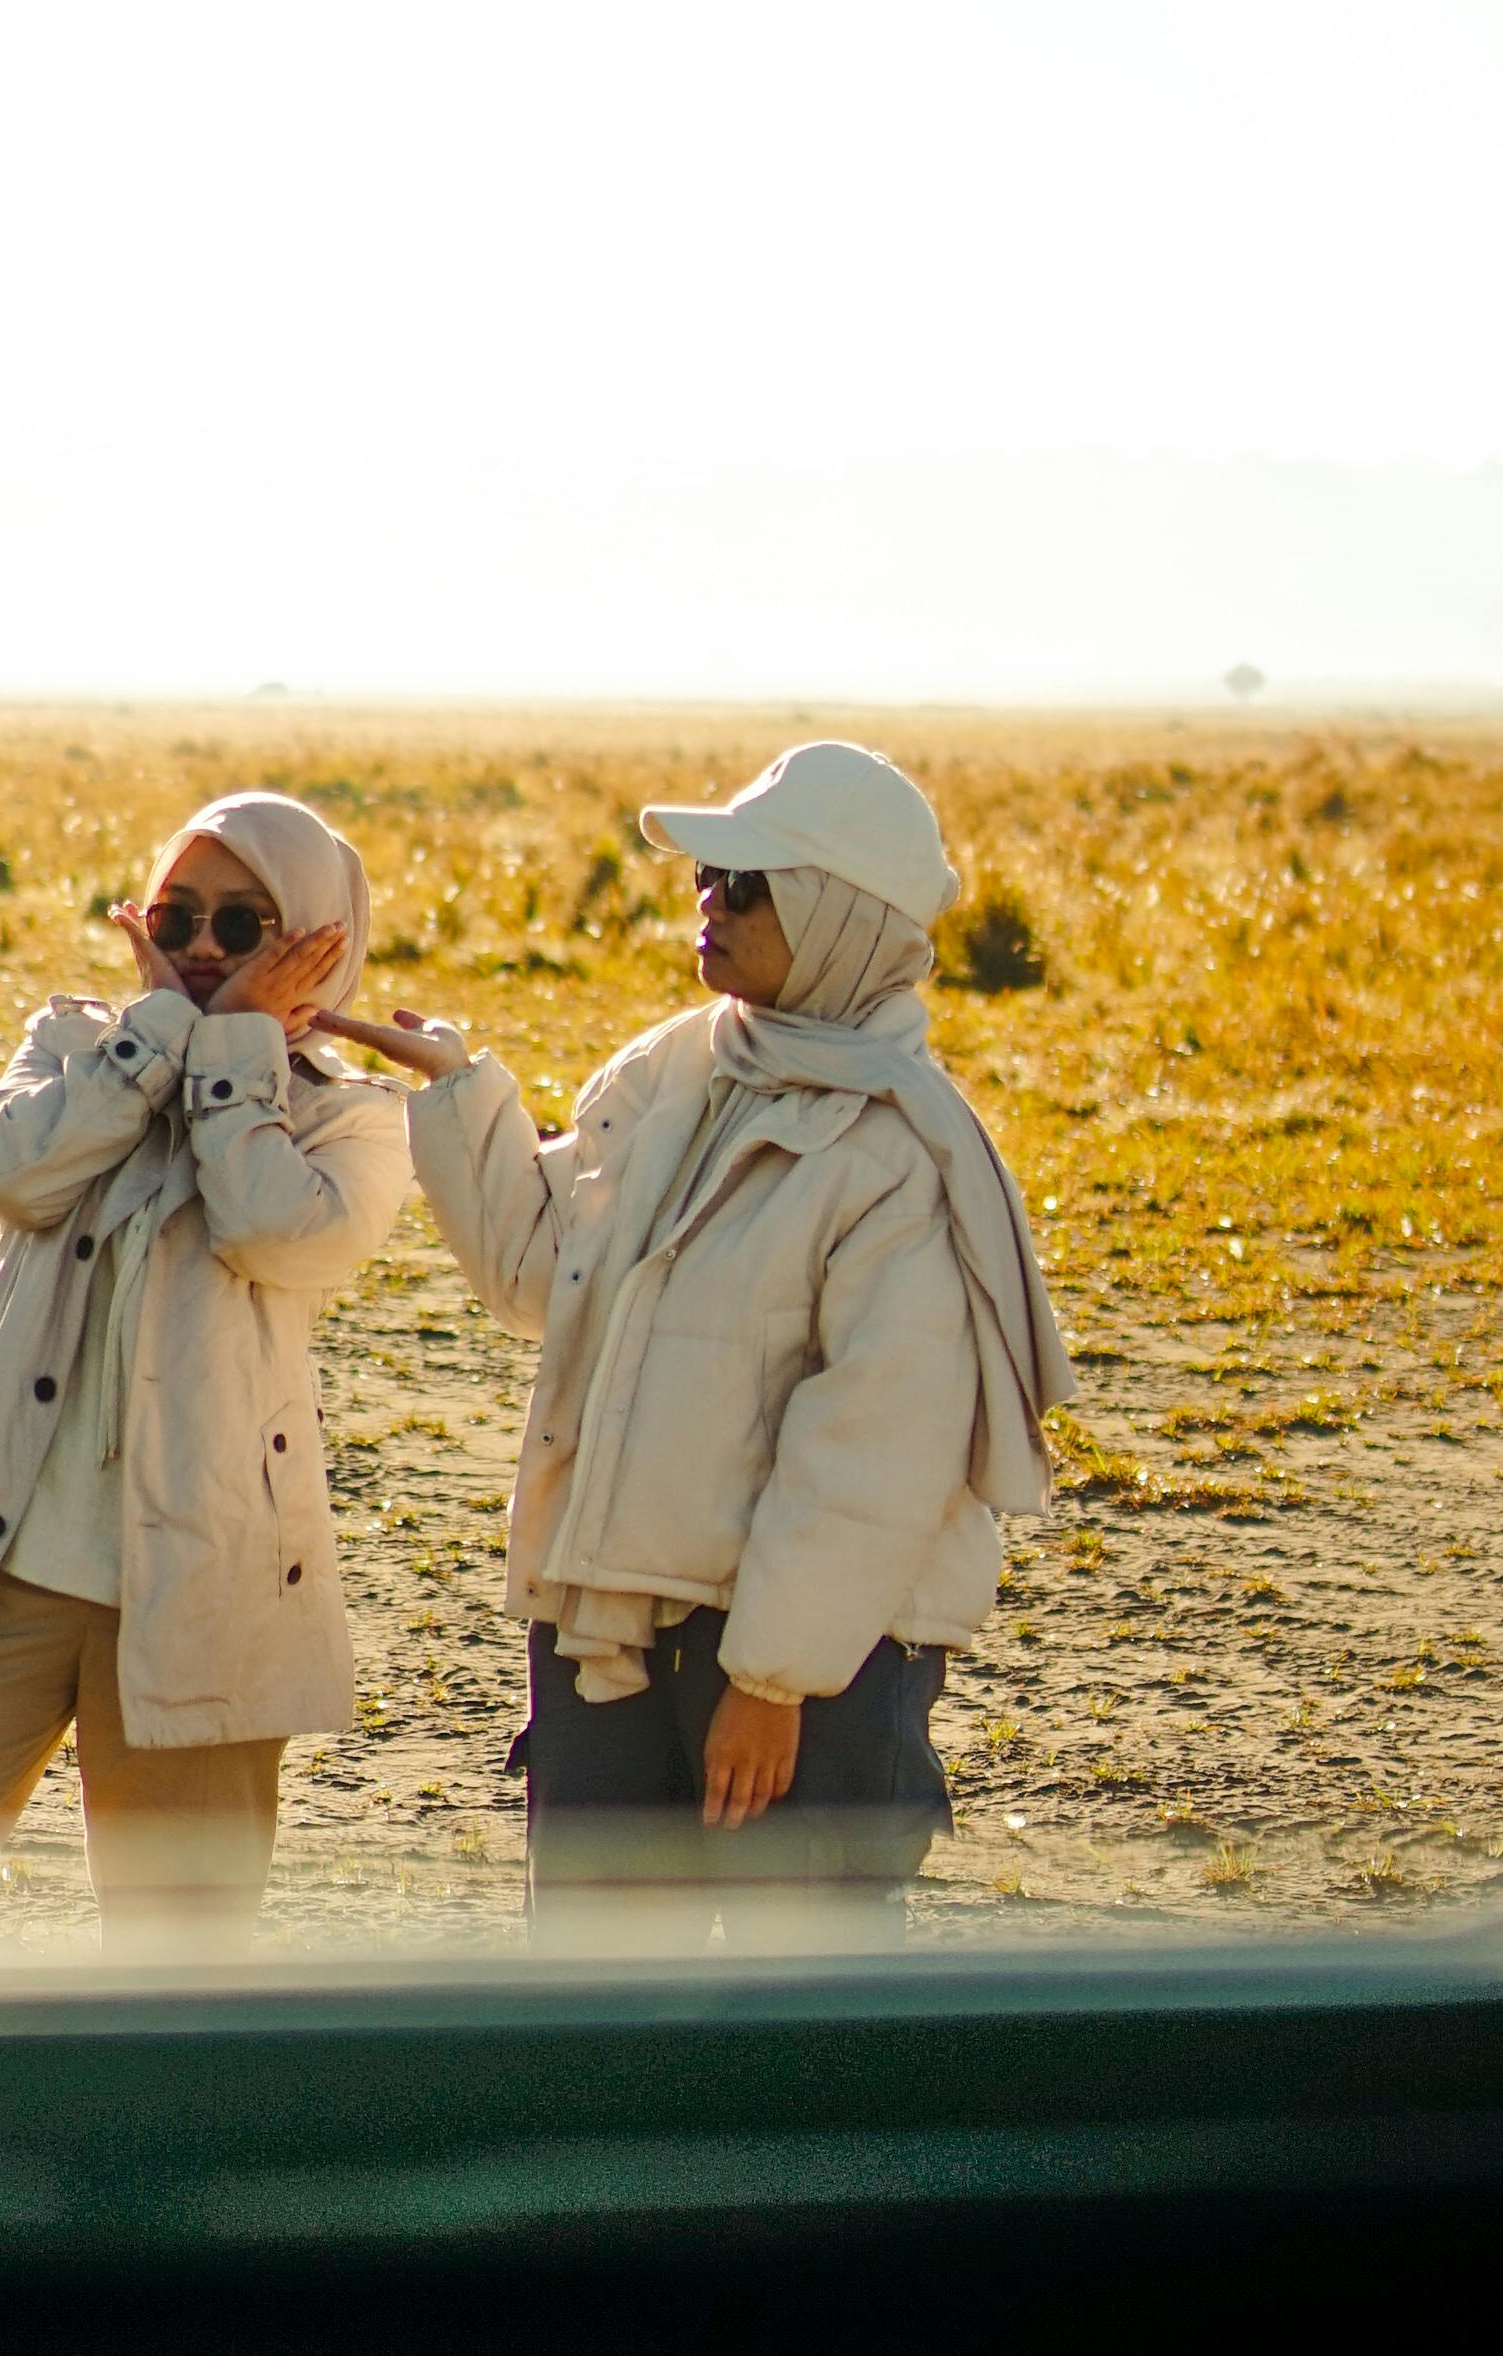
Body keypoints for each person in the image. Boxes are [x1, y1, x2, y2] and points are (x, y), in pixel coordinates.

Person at [331, 738, 1074, 1931]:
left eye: (746, 884)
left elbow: (872, 1452)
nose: (706, 902)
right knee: (600, 1997)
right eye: (706, 878)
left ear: (838, 917)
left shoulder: (901, 1158)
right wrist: (461, 1097)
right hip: (611, 1628)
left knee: (800, 2016)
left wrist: (775, 1682)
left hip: (799, 1669)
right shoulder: (676, 1068)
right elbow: (544, 1276)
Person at [0, 790, 407, 1947]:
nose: (205, 949)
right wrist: (161, 1038)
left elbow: (275, 1229)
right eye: (178, 919)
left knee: (179, 1978)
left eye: (244, 925)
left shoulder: (347, 1121)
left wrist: (236, 1057)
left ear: (317, 937)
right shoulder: (78, 1048)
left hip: (204, 1589)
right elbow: (15, 1171)